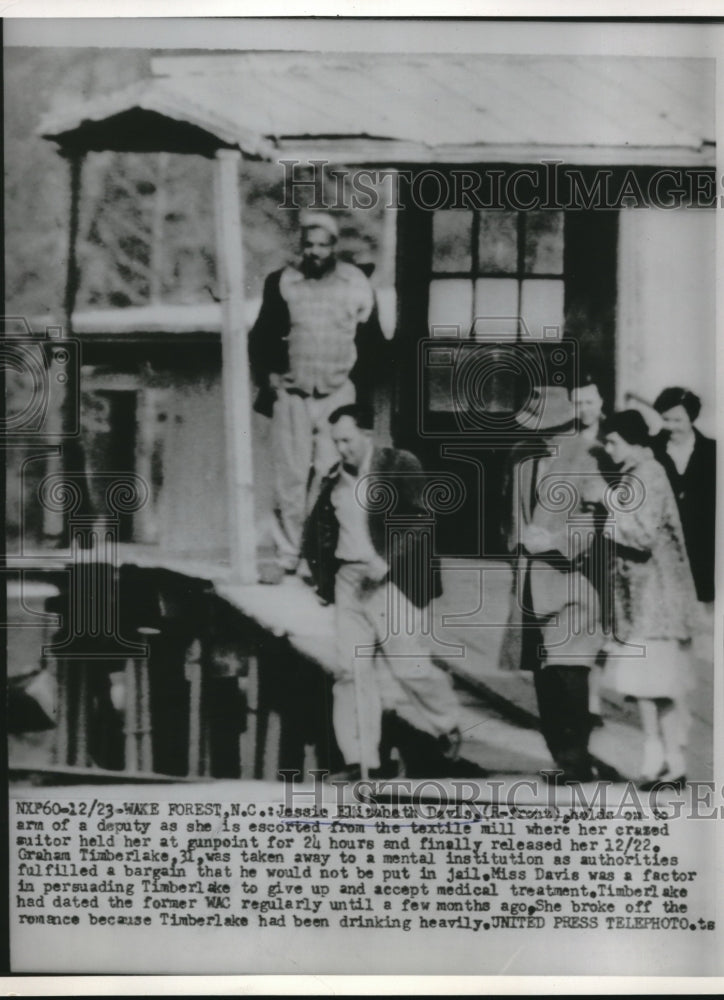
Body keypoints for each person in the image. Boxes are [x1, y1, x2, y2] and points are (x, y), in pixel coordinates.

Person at [303, 405, 461, 781]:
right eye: (336, 441)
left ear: (367, 435)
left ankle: (447, 724)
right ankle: (361, 762)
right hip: (348, 579)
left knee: (408, 665)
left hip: (389, 580)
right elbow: (318, 532)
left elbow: (423, 518)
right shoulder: (332, 479)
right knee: (350, 671)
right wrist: (323, 580)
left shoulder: (398, 464)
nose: (342, 448)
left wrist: (388, 560)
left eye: (348, 440)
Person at [248, 211, 387, 574]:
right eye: (308, 245)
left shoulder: (355, 283)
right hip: (294, 393)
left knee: (331, 475)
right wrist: (270, 377)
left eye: (323, 245)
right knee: (290, 477)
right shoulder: (284, 281)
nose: (315, 252)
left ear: (335, 247)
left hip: (337, 392)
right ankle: (287, 554)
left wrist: (361, 402)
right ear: (301, 247)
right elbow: (261, 334)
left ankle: (319, 556)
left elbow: (372, 343)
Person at [500, 382, 606, 782]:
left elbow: (596, 520)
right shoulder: (522, 456)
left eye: (546, 429)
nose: (539, 436)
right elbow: (508, 512)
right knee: (544, 677)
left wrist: (557, 542)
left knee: (569, 671)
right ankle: (562, 758)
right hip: (530, 582)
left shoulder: (589, 456)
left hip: (572, 583)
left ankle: (577, 760)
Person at [601, 410, 697, 788]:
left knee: (656, 684)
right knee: (648, 685)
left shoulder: (647, 475)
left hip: (655, 601)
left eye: (613, 442)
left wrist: (607, 508)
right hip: (643, 600)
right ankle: (663, 759)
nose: (608, 449)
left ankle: (666, 760)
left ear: (631, 441)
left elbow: (641, 535)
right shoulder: (637, 474)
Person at [570, 376, 611, 727]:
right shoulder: (565, 440)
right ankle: (581, 699)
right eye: (577, 403)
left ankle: (593, 699)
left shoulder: (614, 440)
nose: (584, 409)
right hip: (571, 543)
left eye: (589, 401)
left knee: (602, 621)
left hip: (606, 543)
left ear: (601, 402)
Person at [651, 387, 715, 603]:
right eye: (665, 419)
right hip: (664, 545)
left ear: (692, 418)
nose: (670, 427)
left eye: (677, 420)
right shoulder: (651, 450)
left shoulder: (712, 452)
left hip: (703, 546)